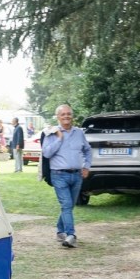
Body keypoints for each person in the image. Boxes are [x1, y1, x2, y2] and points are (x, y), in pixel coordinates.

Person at [41, 104, 92, 248]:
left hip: (77, 175)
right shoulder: (51, 133)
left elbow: (88, 150)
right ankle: (71, 235)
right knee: (66, 205)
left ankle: (60, 230)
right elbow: (47, 153)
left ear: (72, 116)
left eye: (68, 113)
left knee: (69, 205)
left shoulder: (79, 133)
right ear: (58, 117)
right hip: (59, 175)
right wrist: (59, 138)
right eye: (63, 114)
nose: (66, 116)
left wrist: (87, 166)